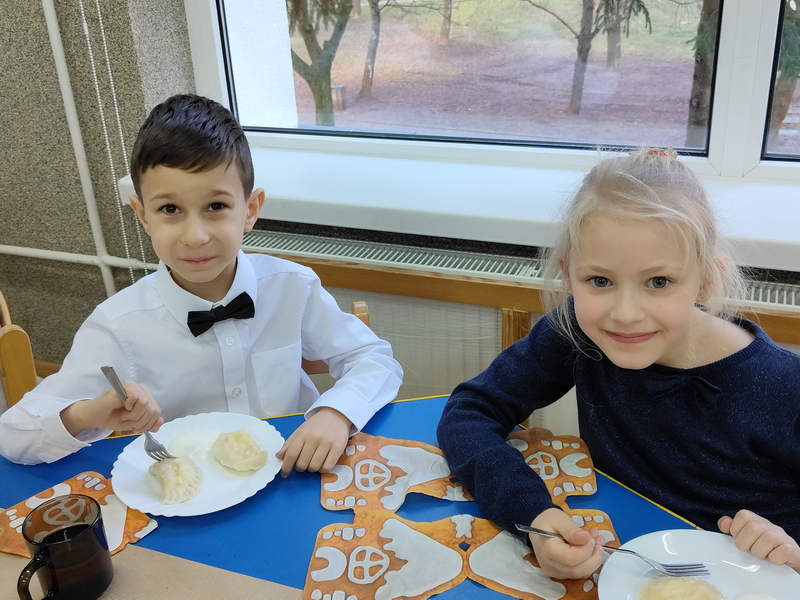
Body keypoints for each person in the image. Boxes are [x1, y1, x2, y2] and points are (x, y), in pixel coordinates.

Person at [437, 148, 800, 579]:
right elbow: (469, 412)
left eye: (659, 282)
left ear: (706, 279)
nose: (626, 314)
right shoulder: (578, 333)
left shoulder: (785, 386)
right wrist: (532, 514)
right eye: (600, 281)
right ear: (569, 274)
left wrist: (794, 553)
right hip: (621, 570)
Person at [0, 94, 402, 475]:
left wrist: (336, 413)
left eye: (216, 206)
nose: (195, 237)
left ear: (250, 209)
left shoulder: (292, 287)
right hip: (187, 499)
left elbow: (375, 359)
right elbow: (12, 435)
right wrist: (86, 414)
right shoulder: (117, 326)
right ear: (142, 214)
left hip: (292, 473)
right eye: (170, 209)